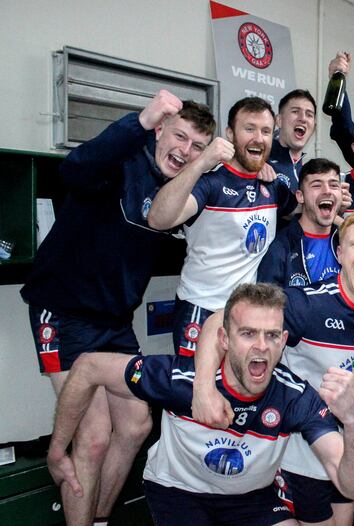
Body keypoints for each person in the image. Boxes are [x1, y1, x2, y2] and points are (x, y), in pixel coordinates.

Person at [20, 90, 215, 526]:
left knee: (135, 424)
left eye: (197, 146)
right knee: (92, 436)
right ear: (160, 130)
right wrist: (140, 120)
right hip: (64, 311)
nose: (185, 151)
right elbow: (75, 169)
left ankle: (99, 518)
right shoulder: (123, 161)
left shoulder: (175, 190)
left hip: (113, 321)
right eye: (179, 137)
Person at [47, 282, 354, 526]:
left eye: (272, 335)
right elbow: (88, 367)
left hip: (251, 499)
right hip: (180, 493)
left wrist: (353, 422)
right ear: (224, 339)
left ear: (283, 341)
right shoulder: (181, 380)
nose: (261, 346)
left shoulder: (295, 397)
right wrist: (58, 450)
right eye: (248, 333)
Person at [192, 211, 354, 526]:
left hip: (346, 449)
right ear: (340, 254)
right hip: (301, 455)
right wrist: (203, 388)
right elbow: (220, 319)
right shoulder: (308, 305)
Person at [146, 96, 295, 356]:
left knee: (238, 383)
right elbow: (159, 219)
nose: (258, 138)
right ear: (230, 134)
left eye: (266, 131)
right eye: (249, 129)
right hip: (200, 309)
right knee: (193, 382)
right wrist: (201, 163)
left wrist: (344, 217)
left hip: (245, 314)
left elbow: (306, 210)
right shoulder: (210, 182)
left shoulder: (272, 186)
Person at [258, 158, 346, 288]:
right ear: (300, 196)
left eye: (334, 185)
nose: (327, 191)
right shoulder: (280, 248)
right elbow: (267, 299)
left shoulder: (347, 241)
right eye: (317, 185)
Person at [269, 89, 317, 195]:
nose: (303, 119)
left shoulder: (310, 174)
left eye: (309, 115)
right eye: (295, 112)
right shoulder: (259, 161)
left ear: (314, 127)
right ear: (279, 121)